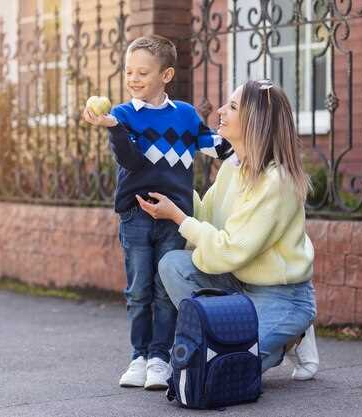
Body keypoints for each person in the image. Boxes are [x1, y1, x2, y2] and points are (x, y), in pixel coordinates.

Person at [136, 79, 320, 379]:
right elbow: (207, 217)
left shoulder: (276, 182)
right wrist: (172, 184)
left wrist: (180, 219)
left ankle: (292, 334)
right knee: (174, 265)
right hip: (238, 281)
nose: (220, 110)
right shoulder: (234, 167)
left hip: (281, 294)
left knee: (223, 372)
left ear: (255, 121)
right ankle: (221, 333)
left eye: (232, 107)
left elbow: (231, 249)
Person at [82, 35, 232, 390]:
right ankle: (137, 356)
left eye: (142, 73)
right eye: (129, 71)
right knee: (138, 290)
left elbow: (217, 146)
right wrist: (114, 129)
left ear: (165, 75)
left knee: (165, 289)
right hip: (135, 216)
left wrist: (247, 133)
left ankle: (159, 359)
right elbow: (131, 162)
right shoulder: (121, 115)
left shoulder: (184, 115)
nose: (133, 79)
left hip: (173, 216)